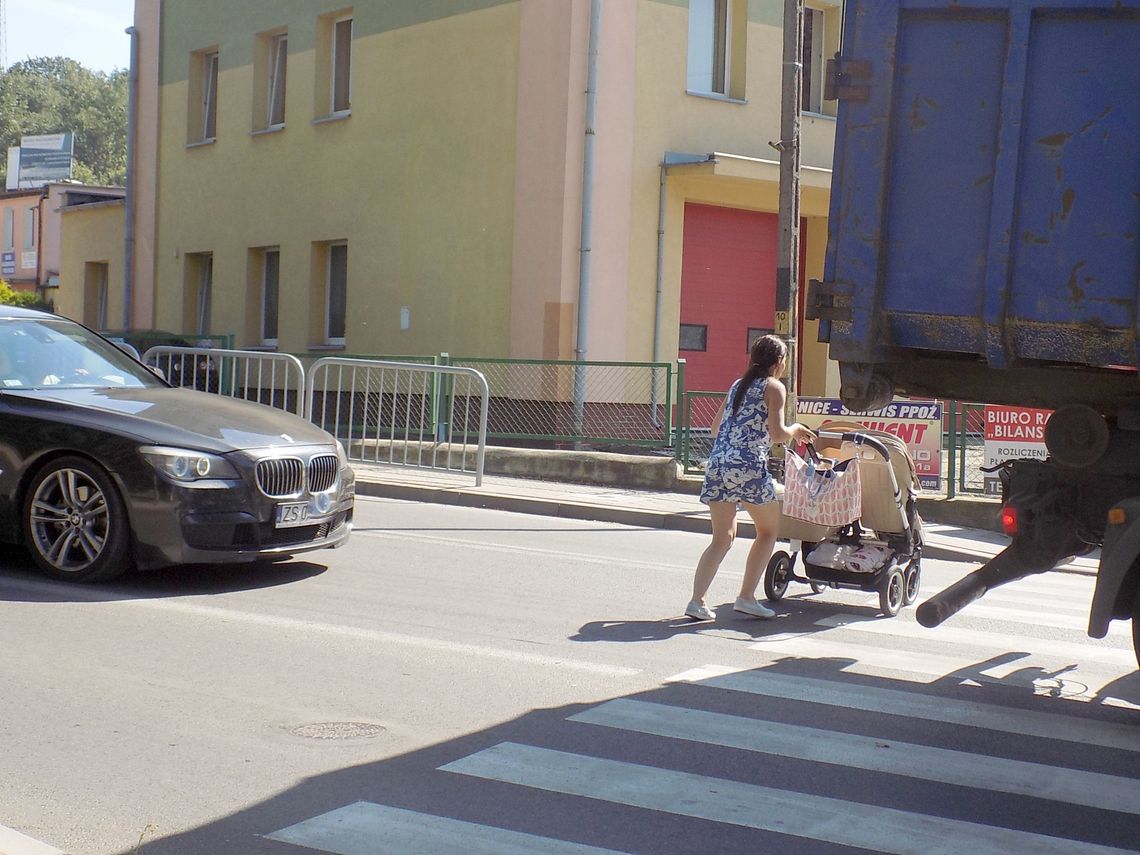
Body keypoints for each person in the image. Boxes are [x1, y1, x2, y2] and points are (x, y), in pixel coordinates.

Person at [686, 334, 816, 621]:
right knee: (768, 531)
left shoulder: (737, 385)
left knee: (722, 538)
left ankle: (697, 601)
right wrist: (797, 429)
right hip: (748, 467)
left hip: (718, 464)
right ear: (779, 362)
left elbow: (714, 428)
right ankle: (746, 597)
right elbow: (779, 435)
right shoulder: (774, 388)